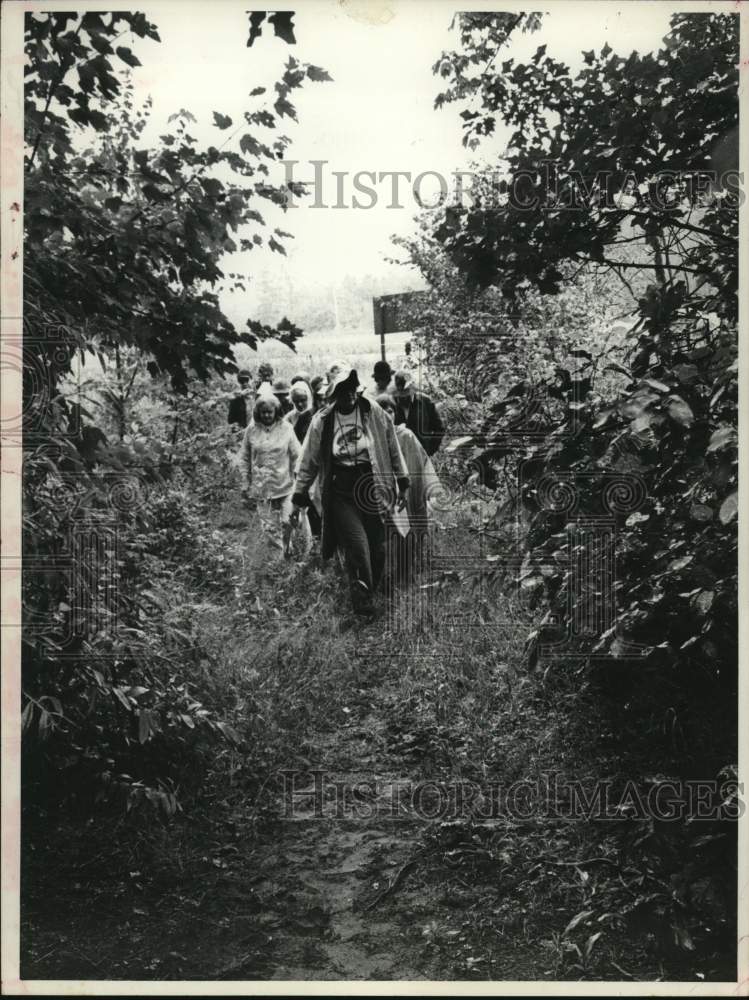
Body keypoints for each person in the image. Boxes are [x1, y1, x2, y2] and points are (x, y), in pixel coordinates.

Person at [290, 368, 409, 616]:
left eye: (352, 390)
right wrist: (299, 494)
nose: (350, 397)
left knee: (378, 549)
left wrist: (403, 480)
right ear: (334, 395)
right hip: (341, 491)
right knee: (358, 546)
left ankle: (367, 590)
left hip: (372, 485)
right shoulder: (322, 421)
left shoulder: (373, 411)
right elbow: (309, 460)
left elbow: (392, 446)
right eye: (343, 392)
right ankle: (363, 606)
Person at [376, 393, 441, 581]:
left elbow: (421, 461)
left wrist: (429, 488)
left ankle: (405, 574)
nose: (388, 416)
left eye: (391, 411)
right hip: (385, 493)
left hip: (408, 491)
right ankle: (386, 575)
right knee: (387, 534)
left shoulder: (406, 436)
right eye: (383, 412)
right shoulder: (374, 439)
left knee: (409, 528)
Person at [239, 393, 306, 558]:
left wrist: (301, 479)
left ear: (276, 411)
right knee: (270, 529)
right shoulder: (252, 430)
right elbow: (244, 457)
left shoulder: (286, 428)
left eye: (270, 412)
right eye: (263, 412)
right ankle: (280, 563)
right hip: (262, 488)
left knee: (287, 521)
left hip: (285, 484)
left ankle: (288, 548)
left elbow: (297, 454)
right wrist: (245, 482)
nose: (267, 415)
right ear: (258, 413)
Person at [392, 369, 445, 456]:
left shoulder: (425, 402)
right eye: (401, 391)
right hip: (401, 457)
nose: (404, 394)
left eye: (407, 390)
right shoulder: (392, 404)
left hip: (422, 455)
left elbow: (439, 429)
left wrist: (430, 450)